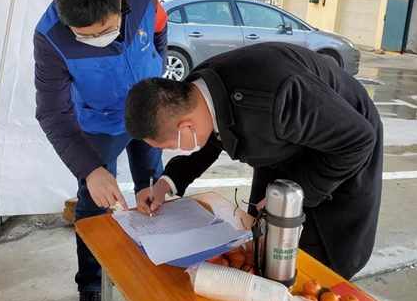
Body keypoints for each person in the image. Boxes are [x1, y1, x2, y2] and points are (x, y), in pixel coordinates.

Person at [124, 42, 383, 280]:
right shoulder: (196, 95)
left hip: (341, 143)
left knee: (313, 260)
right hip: (281, 141)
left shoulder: (278, 95)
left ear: (186, 127)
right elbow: (210, 138)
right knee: (262, 239)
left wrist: (298, 192)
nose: (174, 150)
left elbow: (358, 140)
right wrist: (165, 185)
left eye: (169, 146)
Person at [34, 0, 166, 301]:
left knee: (153, 185)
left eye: (107, 30)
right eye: (86, 36)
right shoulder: (50, 38)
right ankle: (91, 284)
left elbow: (159, 26)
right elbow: (52, 113)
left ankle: (159, 257)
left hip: (148, 107)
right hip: (100, 120)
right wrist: (91, 170)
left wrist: (157, 70)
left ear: (120, 1)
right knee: (94, 200)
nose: (100, 39)